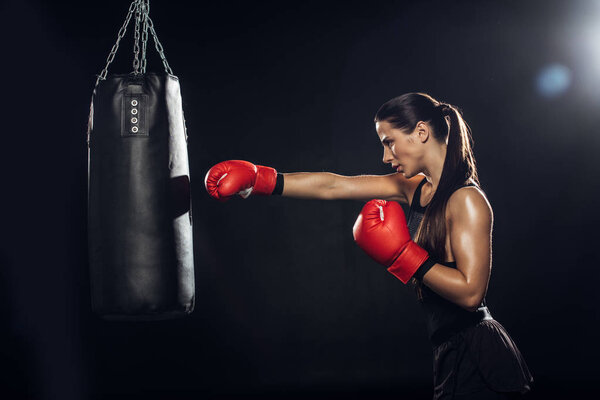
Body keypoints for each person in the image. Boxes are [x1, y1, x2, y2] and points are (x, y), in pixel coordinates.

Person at [204, 92, 534, 399]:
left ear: (420, 132)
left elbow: (471, 293)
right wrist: (263, 179)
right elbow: (334, 186)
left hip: (479, 352)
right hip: (448, 349)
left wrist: (404, 255)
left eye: (390, 142)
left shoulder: (467, 199)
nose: (386, 156)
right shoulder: (415, 188)